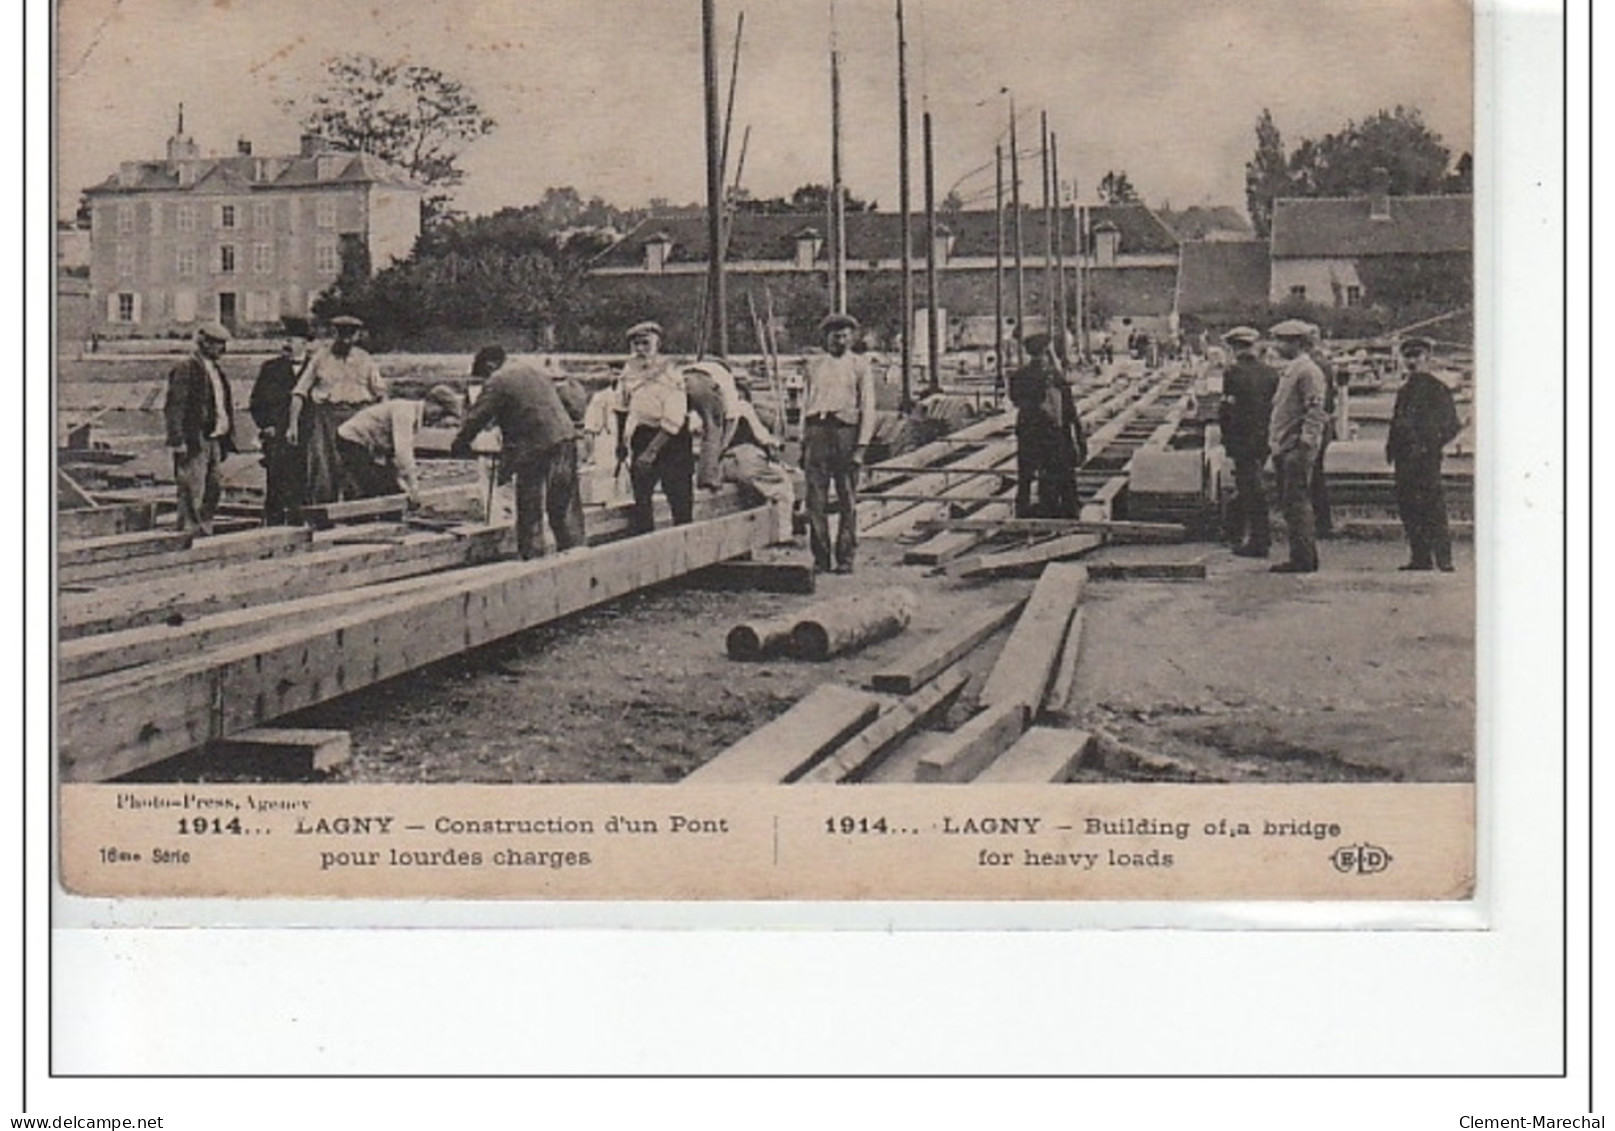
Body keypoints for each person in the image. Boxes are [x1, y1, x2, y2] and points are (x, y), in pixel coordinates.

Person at [451, 346, 586, 559]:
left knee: (529, 505)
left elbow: (477, 417)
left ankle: (533, 558)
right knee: (563, 504)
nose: (485, 381)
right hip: (565, 438)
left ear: (490, 366)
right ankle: (575, 552)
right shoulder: (531, 370)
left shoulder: (498, 379)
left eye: (484, 376)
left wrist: (459, 445)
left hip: (534, 445)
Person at [801, 312, 877, 573]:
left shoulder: (860, 365)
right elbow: (806, 403)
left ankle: (845, 557)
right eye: (835, 336)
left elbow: (868, 407)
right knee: (815, 500)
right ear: (826, 338)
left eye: (845, 336)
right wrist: (804, 440)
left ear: (851, 337)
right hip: (817, 432)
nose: (840, 341)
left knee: (847, 498)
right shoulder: (814, 365)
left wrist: (861, 447)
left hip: (846, 433)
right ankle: (821, 558)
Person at [286, 315, 387, 505]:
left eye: (351, 334)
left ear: (357, 336)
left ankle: (356, 514)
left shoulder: (365, 359)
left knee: (356, 466)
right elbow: (299, 392)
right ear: (335, 334)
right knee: (323, 466)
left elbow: (380, 394)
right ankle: (323, 514)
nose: (346, 339)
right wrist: (292, 426)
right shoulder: (320, 358)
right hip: (326, 417)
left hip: (357, 416)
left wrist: (381, 427)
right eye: (342, 334)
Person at [1386, 336, 1462, 572]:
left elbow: (1452, 425)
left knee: (1433, 507)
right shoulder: (1404, 390)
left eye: (1416, 356)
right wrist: (1392, 448)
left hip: (1426, 459)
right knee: (1408, 507)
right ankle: (1420, 557)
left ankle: (1444, 559)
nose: (1412, 361)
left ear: (1427, 358)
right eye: (1407, 357)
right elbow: (1397, 422)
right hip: (1405, 459)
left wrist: (1431, 445)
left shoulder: (1438, 389)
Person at [613, 321, 693, 534]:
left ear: (657, 344)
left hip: (671, 438)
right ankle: (646, 547)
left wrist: (651, 452)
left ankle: (683, 546)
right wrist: (620, 442)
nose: (640, 350)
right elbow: (621, 407)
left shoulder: (670, 372)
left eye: (645, 344)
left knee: (678, 497)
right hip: (643, 434)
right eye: (636, 344)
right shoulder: (628, 371)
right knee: (641, 496)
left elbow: (673, 418)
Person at [1266, 320, 1331, 573]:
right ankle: (1301, 556)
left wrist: (1305, 444)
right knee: (1291, 503)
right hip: (1286, 446)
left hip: (1296, 448)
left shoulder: (1308, 371)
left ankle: (1303, 558)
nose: (1278, 345)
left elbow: (1315, 410)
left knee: (1296, 503)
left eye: (1283, 340)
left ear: (1297, 343)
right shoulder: (1293, 370)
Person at [163, 322, 237, 535]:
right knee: (191, 487)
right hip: (196, 437)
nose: (221, 349)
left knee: (214, 487)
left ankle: (204, 527)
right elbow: (175, 406)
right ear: (203, 343)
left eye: (223, 344)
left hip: (215, 437)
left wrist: (227, 434)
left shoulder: (216, 370)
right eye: (217, 344)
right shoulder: (186, 368)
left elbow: (223, 404)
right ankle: (188, 531)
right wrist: (177, 440)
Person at [334, 385, 463, 505]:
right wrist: (413, 486)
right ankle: (356, 520)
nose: (438, 419)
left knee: (390, 487)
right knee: (367, 485)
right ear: (431, 403)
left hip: (372, 445)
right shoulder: (405, 412)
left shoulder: (415, 419)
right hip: (351, 439)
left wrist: (401, 484)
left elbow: (393, 454)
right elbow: (403, 453)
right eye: (440, 413)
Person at [1217, 326, 1280, 557]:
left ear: (1234, 348)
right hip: (1263, 438)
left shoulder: (1232, 373)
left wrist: (1226, 439)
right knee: (1251, 486)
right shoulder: (1271, 373)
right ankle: (1238, 532)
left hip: (1242, 438)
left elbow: (1227, 409)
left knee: (1250, 489)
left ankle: (1258, 540)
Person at [248, 339, 309, 525]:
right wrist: (266, 425)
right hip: (277, 435)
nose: (286, 344)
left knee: (305, 481)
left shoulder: (315, 366)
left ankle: (302, 527)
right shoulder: (270, 368)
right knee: (275, 483)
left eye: (292, 340)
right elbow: (256, 402)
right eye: (285, 339)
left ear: (305, 342)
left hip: (307, 436)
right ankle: (273, 529)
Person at [1008, 332, 1066, 517]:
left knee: (1025, 471)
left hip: (1026, 425)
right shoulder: (1051, 375)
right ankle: (1046, 508)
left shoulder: (1018, 375)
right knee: (1048, 469)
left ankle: (1022, 509)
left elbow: (1015, 400)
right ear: (1045, 351)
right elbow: (1060, 402)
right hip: (1047, 427)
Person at [1306, 324, 1339, 537]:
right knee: (1316, 474)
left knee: (1312, 475)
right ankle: (1322, 522)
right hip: (1324, 423)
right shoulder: (1324, 363)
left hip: (1315, 424)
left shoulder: (1314, 365)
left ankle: (1321, 523)